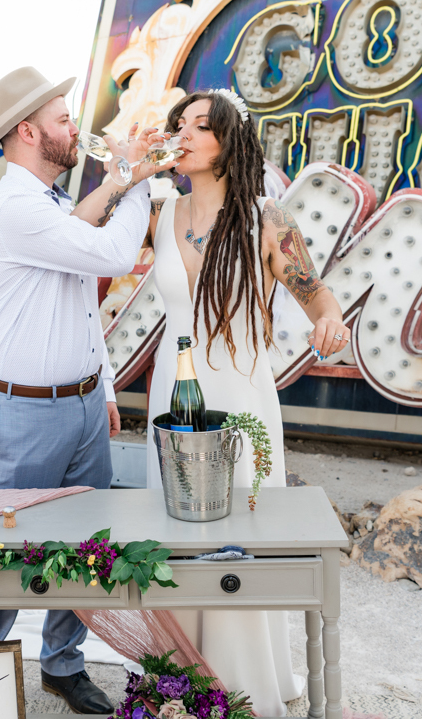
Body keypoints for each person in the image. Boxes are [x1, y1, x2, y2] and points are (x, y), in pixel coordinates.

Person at [77, 88, 351, 715]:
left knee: (240, 542)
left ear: (230, 141)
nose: (186, 133)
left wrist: (327, 324)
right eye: (180, 124)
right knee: (174, 541)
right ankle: (184, 688)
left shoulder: (266, 218)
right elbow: (79, 233)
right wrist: (134, 168)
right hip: (175, 398)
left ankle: (246, 688)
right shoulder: (161, 211)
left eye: (201, 126)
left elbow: (317, 296)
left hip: (242, 400)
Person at [0, 66, 173, 714]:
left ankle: (61, 662)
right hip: (26, 413)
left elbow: (83, 303)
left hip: (82, 404)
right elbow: (111, 255)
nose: (75, 130)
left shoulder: (50, 204)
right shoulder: (14, 207)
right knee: (12, 552)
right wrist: (137, 178)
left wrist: (105, 388)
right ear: (28, 132)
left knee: (85, 549)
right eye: (62, 120)